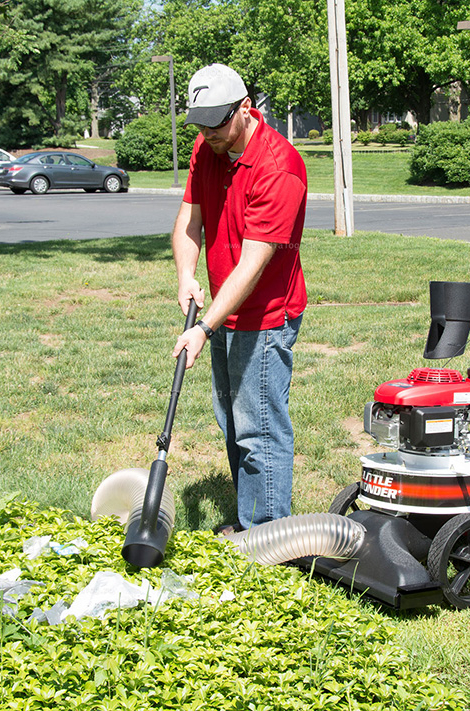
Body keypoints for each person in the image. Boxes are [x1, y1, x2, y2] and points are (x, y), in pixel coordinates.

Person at [171, 63, 308, 533]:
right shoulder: (207, 147)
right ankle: (250, 518)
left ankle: (268, 536)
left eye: (217, 121)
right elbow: (191, 218)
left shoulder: (280, 167)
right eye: (200, 122)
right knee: (231, 419)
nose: (207, 132)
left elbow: (254, 262)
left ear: (245, 109)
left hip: (267, 314)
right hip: (223, 311)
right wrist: (187, 276)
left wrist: (203, 328)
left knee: (259, 427)